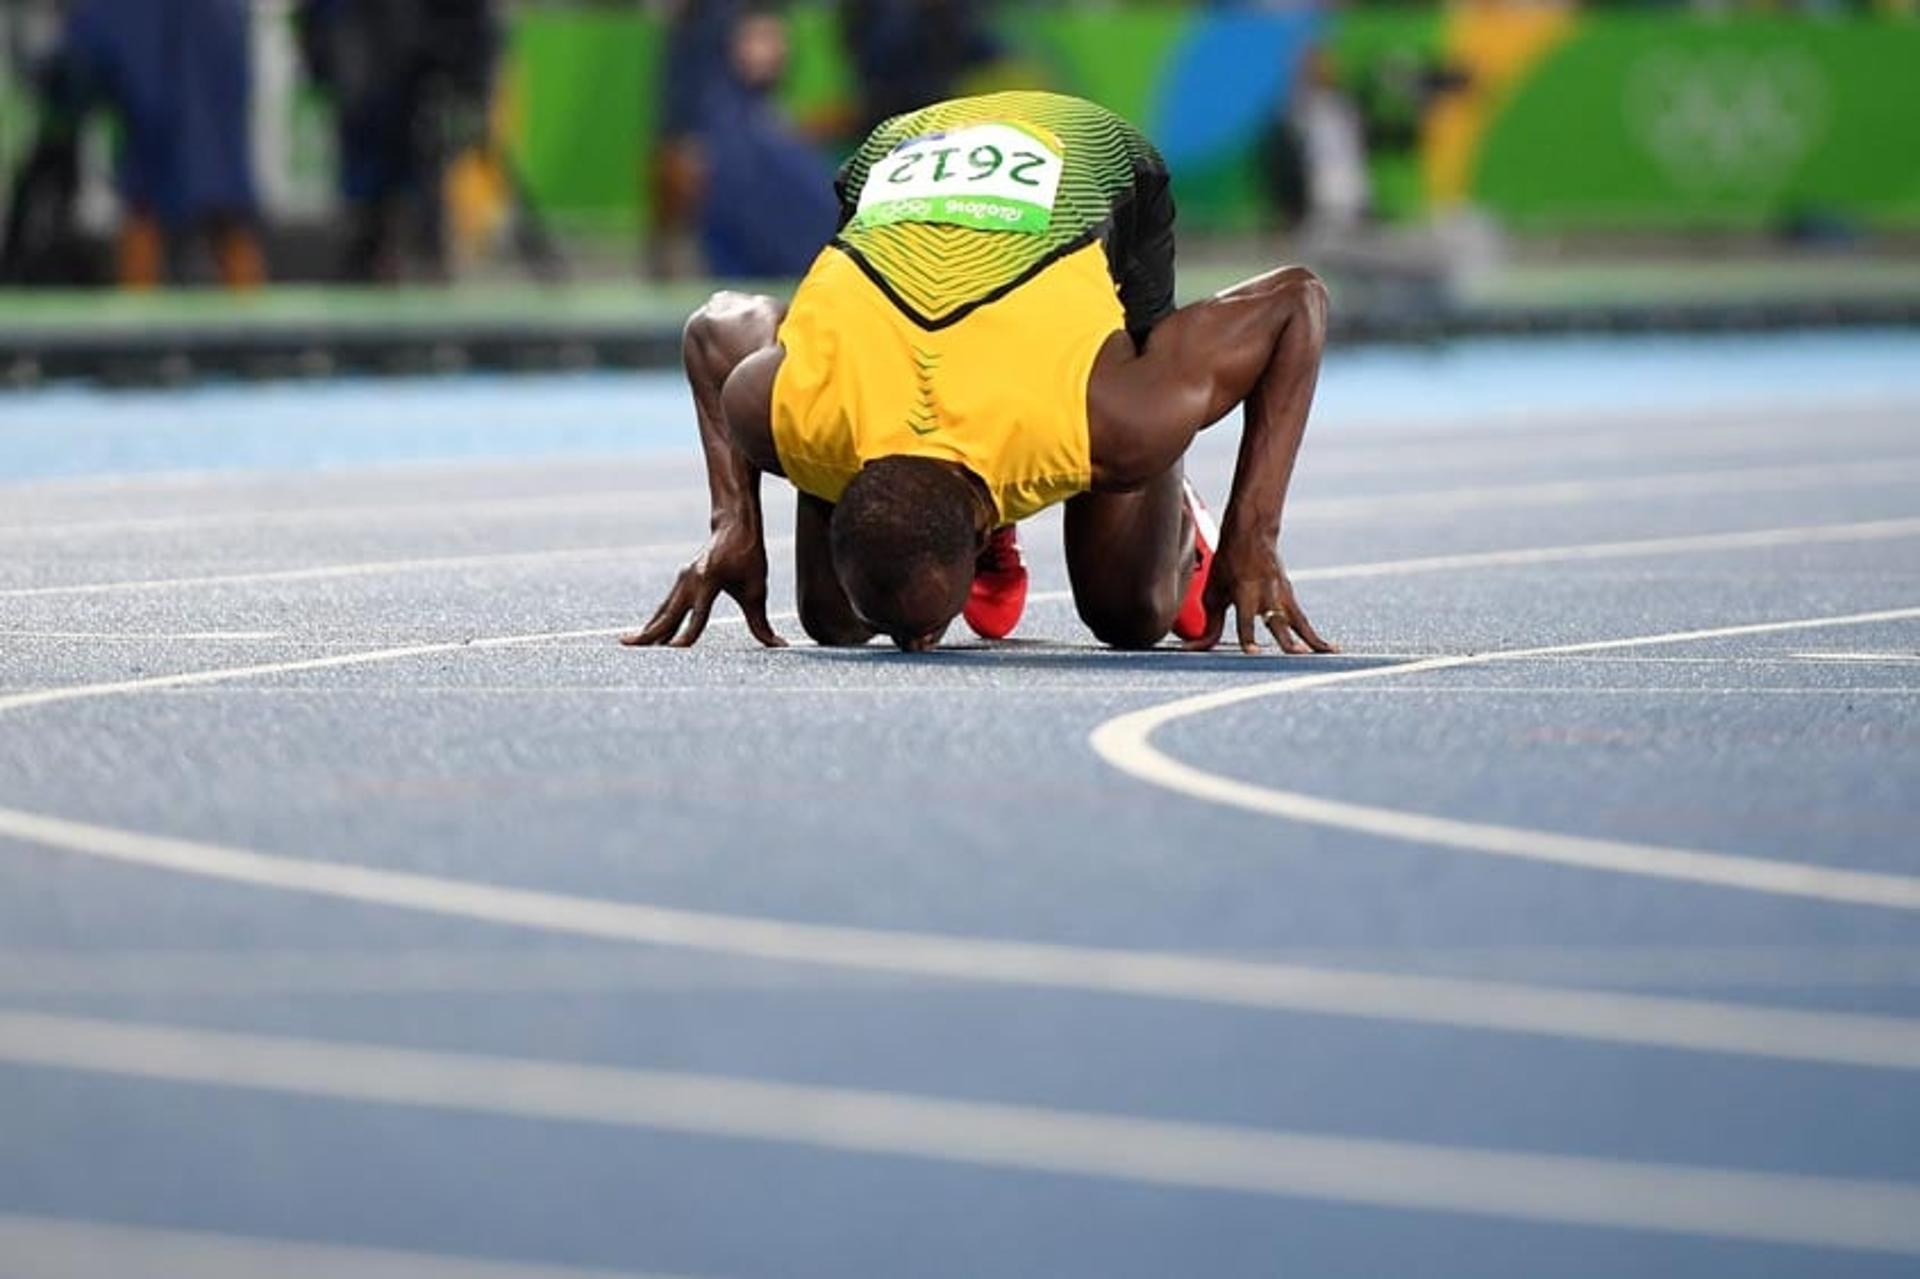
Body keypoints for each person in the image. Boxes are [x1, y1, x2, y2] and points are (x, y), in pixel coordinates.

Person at [625, 90, 1335, 656]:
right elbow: (714, 326)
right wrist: (734, 525)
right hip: (899, 152)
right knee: (832, 622)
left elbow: (1293, 302)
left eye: (927, 634)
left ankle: (1185, 520)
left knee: (1131, 612)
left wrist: (1253, 536)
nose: (921, 646)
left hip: (1088, 158)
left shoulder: (1108, 418)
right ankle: (961, 530)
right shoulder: (794, 411)